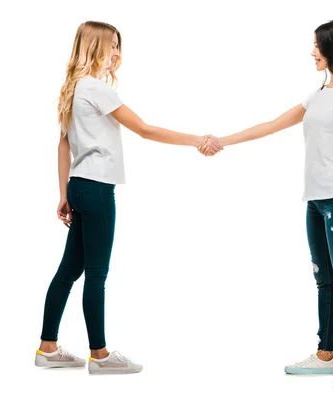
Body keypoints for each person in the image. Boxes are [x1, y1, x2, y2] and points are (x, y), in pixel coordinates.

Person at [34, 20, 222, 375]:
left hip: (79, 185)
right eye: (113, 45)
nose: (118, 53)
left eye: (120, 46)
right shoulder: (97, 88)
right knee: (96, 274)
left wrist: (64, 192)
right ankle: (100, 355)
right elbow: (145, 129)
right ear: (94, 47)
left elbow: (62, 145)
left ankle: (47, 347)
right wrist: (197, 139)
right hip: (97, 188)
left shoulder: (72, 88)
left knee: (69, 270)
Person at [201, 19, 333, 388]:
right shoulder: (318, 94)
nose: (312, 52)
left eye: (317, 46)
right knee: (323, 280)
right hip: (313, 200)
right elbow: (270, 125)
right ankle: (326, 355)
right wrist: (222, 141)